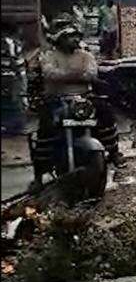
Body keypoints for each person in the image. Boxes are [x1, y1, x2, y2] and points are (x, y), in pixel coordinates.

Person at [35, 19, 120, 179]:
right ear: (59, 39)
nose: (74, 40)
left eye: (76, 36)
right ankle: (40, 171)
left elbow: (91, 74)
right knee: (46, 127)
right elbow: (50, 74)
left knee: (106, 114)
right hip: (56, 99)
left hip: (84, 99)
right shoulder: (49, 56)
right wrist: (77, 75)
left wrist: (66, 75)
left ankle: (114, 152)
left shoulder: (86, 55)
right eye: (69, 37)